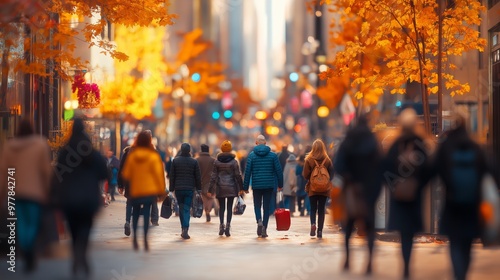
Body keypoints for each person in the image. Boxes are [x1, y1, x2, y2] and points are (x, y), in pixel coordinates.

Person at [433, 114, 488, 280]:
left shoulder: (446, 147)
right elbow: (487, 170)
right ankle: (463, 273)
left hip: (452, 202)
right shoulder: (476, 147)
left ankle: (458, 274)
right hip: (472, 204)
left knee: (455, 242)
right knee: (468, 243)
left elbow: (434, 169)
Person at [54, 117, 108, 277]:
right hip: (89, 198)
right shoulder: (91, 152)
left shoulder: (65, 152)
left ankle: (76, 254)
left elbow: (57, 174)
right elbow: (104, 173)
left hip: (69, 199)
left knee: (73, 229)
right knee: (86, 226)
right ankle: (82, 252)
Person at [383, 108, 432, 279]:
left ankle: (405, 263)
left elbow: (385, 168)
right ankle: (408, 262)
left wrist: (394, 185)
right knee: (410, 231)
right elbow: (429, 169)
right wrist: (419, 185)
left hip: (398, 194)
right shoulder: (421, 143)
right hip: (415, 195)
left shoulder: (395, 144)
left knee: (403, 232)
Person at [0, 119, 52, 273]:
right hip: (35, 192)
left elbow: (4, 172)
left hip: (16, 191)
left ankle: (25, 247)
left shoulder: (9, 147)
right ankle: (30, 249)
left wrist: (3, 191)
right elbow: (46, 170)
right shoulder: (40, 145)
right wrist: (48, 189)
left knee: (21, 222)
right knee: (33, 222)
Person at [334, 115, 382, 275]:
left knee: (348, 224)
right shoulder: (373, 141)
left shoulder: (348, 141)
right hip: (369, 189)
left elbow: (338, 165)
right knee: (370, 225)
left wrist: (348, 177)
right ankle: (369, 261)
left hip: (351, 188)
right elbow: (381, 165)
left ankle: (348, 259)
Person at [121, 131, 166, 251]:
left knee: (135, 213)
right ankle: (145, 239)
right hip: (149, 190)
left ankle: (135, 238)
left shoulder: (132, 155)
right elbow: (159, 175)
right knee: (146, 213)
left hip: (135, 189)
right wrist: (161, 191)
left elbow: (126, 173)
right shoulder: (153, 155)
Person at [243, 135, 283, 238]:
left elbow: (247, 172)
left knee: (257, 205)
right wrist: (280, 185)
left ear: (256, 143)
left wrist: (245, 187)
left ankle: (259, 221)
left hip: (256, 185)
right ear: (265, 143)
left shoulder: (252, 156)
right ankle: (264, 228)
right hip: (269, 185)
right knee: (266, 207)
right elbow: (279, 171)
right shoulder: (273, 156)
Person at [209, 140, 242, 237]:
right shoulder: (234, 162)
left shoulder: (217, 162)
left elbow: (213, 176)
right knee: (229, 207)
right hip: (231, 187)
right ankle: (228, 226)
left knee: (221, 207)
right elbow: (238, 175)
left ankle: (221, 226)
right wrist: (241, 187)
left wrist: (210, 189)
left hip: (220, 187)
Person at [169, 143, 202, 239]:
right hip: (189, 189)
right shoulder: (194, 162)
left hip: (178, 189)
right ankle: (185, 228)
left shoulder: (175, 161)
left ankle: (183, 227)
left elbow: (172, 177)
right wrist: (199, 189)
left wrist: (171, 190)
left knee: (181, 207)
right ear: (189, 151)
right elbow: (198, 177)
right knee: (186, 208)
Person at [302, 139, 334, 238]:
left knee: (313, 209)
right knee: (321, 209)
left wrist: (312, 178)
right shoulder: (327, 160)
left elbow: (305, 175)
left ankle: (313, 224)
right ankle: (320, 231)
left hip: (313, 188)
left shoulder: (309, 159)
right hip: (324, 189)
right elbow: (332, 174)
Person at [196, 144, 216, 222]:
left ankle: (206, 210)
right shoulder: (213, 160)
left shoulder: (197, 160)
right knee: (210, 198)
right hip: (211, 183)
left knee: (203, 198)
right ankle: (208, 211)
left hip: (201, 182)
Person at [118, 146, 133, 236]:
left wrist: (120, 185)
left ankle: (127, 221)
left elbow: (121, 169)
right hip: (140, 183)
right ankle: (133, 223)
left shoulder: (127, 152)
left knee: (129, 203)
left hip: (129, 182)